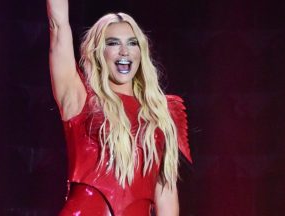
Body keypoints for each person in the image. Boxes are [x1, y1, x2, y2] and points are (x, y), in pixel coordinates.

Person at [46, 0, 192, 215]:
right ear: (98, 52)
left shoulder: (161, 112)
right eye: (113, 43)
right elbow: (58, 27)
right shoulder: (79, 98)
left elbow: (166, 191)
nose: (124, 51)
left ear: (141, 52)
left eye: (132, 43)